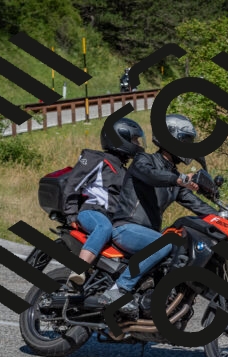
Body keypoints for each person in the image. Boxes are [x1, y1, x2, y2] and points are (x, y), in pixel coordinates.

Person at [98, 114, 218, 315]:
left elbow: (198, 205)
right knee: (167, 243)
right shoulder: (144, 160)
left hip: (148, 235)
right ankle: (118, 290)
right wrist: (180, 179)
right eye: (185, 141)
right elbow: (152, 176)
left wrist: (224, 218)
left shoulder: (174, 180)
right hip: (126, 228)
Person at [61, 117, 146, 285]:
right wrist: (71, 213)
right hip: (92, 211)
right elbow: (73, 183)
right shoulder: (98, 160)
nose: (138, 144)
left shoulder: (124, 171)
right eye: (135, 140)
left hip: (112, 219)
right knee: (103, 227)